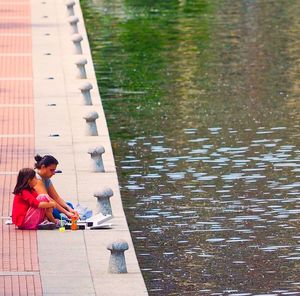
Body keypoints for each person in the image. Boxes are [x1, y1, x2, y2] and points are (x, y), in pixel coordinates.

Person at [33, 154, 79, 220]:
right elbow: (48, 199)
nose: (53, 173)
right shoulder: (36, 178)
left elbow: (56, 197)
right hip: (37, 207)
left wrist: (69, 208)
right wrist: (67, 212)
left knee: (69, 205)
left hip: (48, 204)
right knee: (54, 211)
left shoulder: (46, 178)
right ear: (43, 167)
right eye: (51, 170)